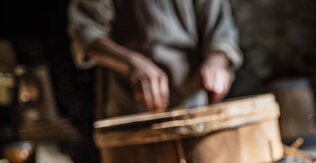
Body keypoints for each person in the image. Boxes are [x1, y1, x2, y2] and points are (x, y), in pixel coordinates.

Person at [68, 0, 243, 118]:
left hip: (194, 105)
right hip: (130, 110)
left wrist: (216, 62)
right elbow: (86, 33)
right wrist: (133, 62)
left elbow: (222, 33)